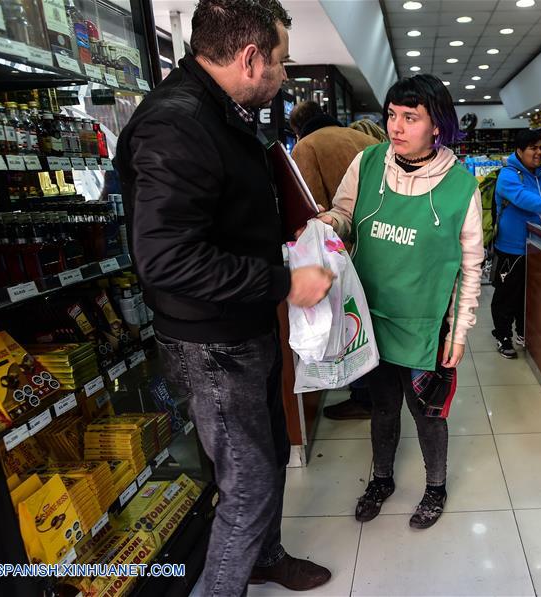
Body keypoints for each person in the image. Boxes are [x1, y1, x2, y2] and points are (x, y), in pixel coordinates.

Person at [114, 1, 334, 594]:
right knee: (249, 482)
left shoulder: (224, 112)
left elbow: (224, 216)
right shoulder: (177, 123)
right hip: (211, 343)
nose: (286, 75)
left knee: (269, 452)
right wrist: (285, 282)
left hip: (244, 328)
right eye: (282, 62)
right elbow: (166, 258)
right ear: (249, 58)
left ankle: (265, 557)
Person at [317, 74, 483, 529]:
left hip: (427, 323)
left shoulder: (460, 187)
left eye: (410, 117)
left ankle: (436, 486)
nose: (395, 126)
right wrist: (326, 224)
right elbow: (346, 215)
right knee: (382, 404)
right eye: (392, 115)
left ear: (436, 126)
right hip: (372, 315)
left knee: (426, 410)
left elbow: (471, 266)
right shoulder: (368, 163)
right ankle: (383, 478)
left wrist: (461, 330)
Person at [287, 100, 379, 420]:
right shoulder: (365, 140)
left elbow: (314, 209)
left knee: (350, 321)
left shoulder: (306, 147)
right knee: (370, 322)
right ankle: (380, 389)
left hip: (344, 250)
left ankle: (364, 395)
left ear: (296, 128)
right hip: (379, 245)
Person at [490, 129, 541, 359]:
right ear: (519, 150)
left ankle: (522, 331)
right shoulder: (509, 175)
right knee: (506, 295)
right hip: (511, 247)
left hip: (538, 247)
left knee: (528, 294)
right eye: (533, 148)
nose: (539, 152)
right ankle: (502, 335)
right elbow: (522, 198)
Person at [289, 101, 380, 211]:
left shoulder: (304, 148)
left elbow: (314, 207)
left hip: (339, 225)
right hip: (378, 222)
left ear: (297, 129)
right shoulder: (368, 140)